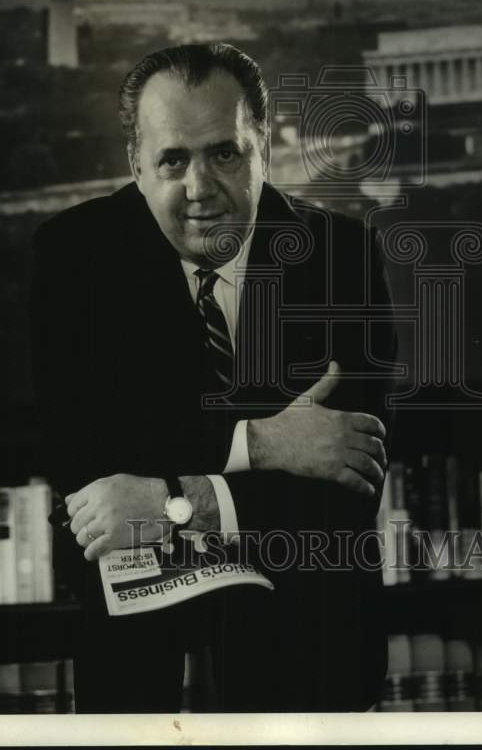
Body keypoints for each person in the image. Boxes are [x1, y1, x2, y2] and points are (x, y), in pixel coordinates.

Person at [30, 43, 397, 712]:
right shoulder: (74, 258)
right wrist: (264, 444)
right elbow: (81, 464)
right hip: (140, 664)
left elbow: (342, 493)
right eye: (172, 160)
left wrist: (169, 497)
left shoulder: (340, 259)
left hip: (305, 647)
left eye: (224, 153)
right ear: (135, 166)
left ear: (264, 146)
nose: (199, 188)